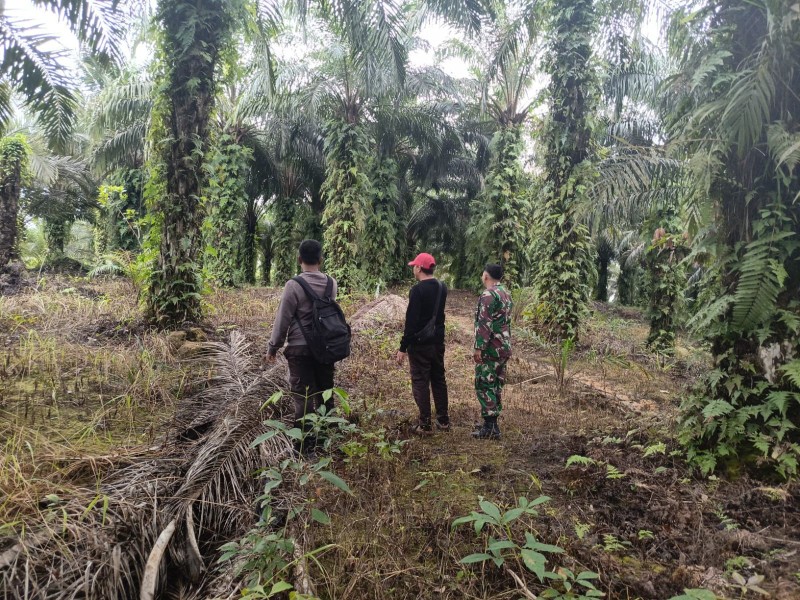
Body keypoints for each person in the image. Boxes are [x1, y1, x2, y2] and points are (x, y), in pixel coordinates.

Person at [267, 240, 338, 449]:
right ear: (321, 260)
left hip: (299, 349)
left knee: (303, 397)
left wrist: (273, 347)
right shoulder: (331, 283)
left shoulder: (293, 285)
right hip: (325, 349)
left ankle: (304, 446)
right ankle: (325, 440)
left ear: (299, 259)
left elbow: (283, 319)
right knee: (326, 392)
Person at [395, 252, 450, 435]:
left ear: (419, 268)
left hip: (420, 344)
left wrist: (403, 347)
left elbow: (411, 322)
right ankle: (443, 420)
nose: (413, 269)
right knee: (438, 378)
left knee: (420, 380)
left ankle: (425, 424)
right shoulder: (442, 287)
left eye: (414, 266)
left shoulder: (417, 290)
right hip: (437, 341)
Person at [472, 263, 513, 440]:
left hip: (491, 347)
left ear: (486, 275)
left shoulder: (488, 294)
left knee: (484, 383)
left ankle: (489, 427)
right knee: (496, 384)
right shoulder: (505, 293)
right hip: (504, 346)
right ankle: (493, 424)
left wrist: (479, 347)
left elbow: (484, 323)